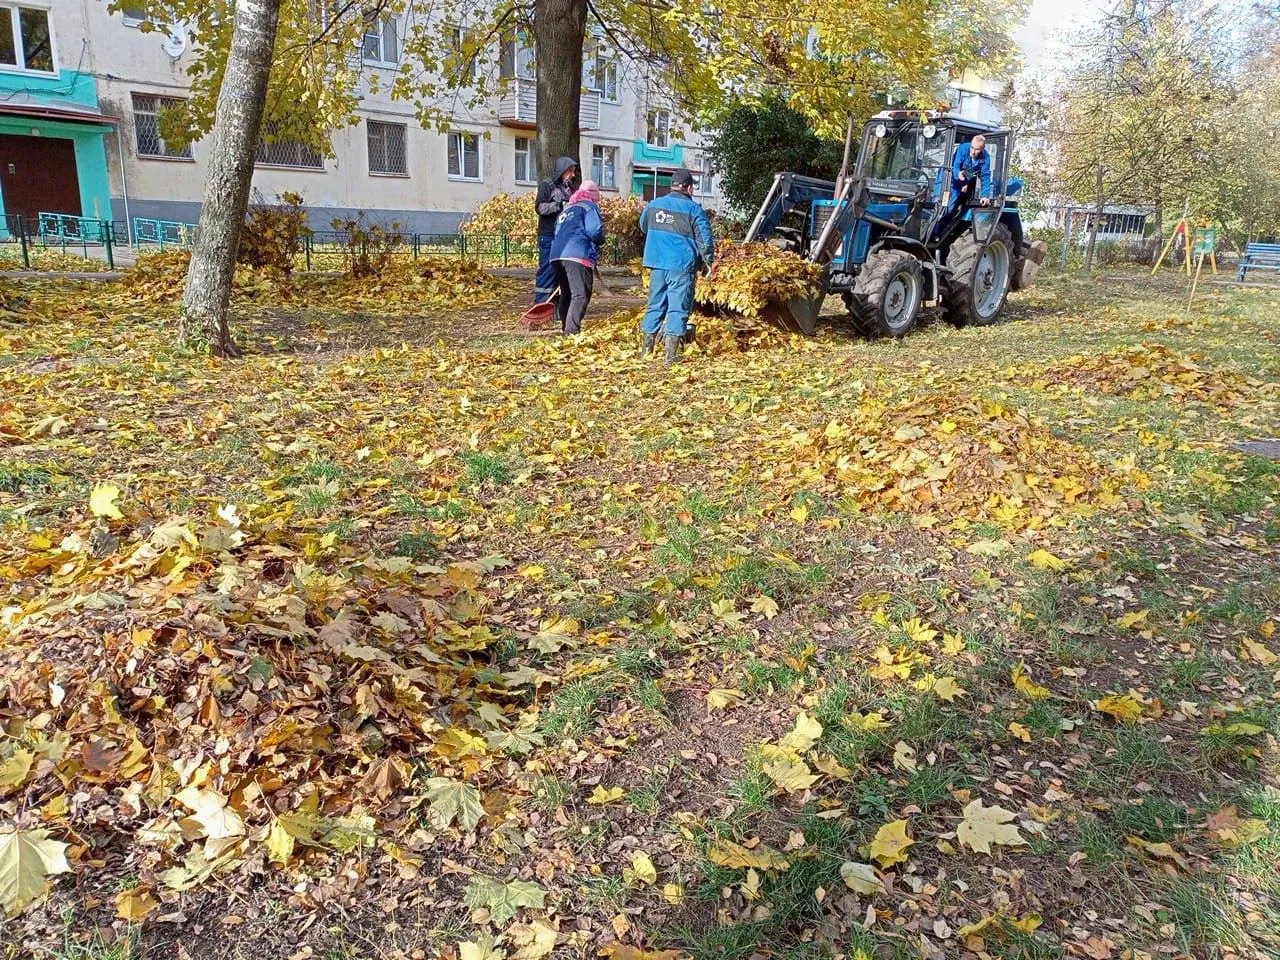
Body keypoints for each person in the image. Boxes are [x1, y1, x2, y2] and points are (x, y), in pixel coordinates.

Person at [638, 169, 715, 363]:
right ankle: (670, 356)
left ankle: (646, 351)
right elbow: (705, 242)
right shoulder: (694, 210)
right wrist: (708, 262)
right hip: (681, 265)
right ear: (689, 188)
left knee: (655, 304)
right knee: (678, 308)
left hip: (657, 263)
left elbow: (643, 226)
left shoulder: (654, 205)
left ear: (672, 185)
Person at [549, 180, 606, 336]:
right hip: (578, 254)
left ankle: (565, 328)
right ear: (593, 193)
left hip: (557, 255)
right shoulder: (589, 206)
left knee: (567, 294)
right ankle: (571, 331)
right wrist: (601, 240)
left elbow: (557, 231)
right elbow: (595, 230)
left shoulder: (567, 209)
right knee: (580, 294)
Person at [534, 157, 580, 304]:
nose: (573, 175)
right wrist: (560, 206)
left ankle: (555, 304)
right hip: (549, 235)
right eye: (570, 171)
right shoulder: (547, 185)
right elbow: (540, 207)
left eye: (573, 171)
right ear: (562, 170)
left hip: (563, 237)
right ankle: (541, 303)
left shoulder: (570, 188)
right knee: (547, 270)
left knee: (561, 270)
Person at [952, 134, 993, 207]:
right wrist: (958, 173)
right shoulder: (963, 148)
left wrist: (985, 196)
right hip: (949, 177)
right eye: (972, 147)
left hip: (965, 179)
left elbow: (985, 176)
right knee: (945, 205)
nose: (973, 151)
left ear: (982, 149)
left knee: (958, 205)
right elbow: (956, 165)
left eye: (977, 149)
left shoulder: (986, 157)